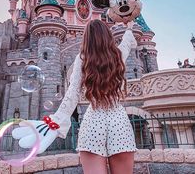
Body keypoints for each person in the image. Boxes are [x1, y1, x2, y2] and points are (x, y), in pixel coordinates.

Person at [13, 19, 137, 174]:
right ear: (108, 36)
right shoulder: (118, 56)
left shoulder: (83, 58)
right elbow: (126, 43)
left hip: (94, 124)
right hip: (119, 123)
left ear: (87, 38)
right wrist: (129, 28)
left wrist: (55, 121)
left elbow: (72, 94)